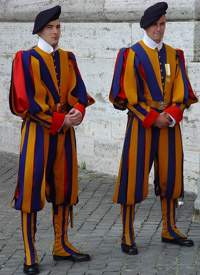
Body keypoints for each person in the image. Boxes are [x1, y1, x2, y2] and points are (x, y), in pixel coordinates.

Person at [9, 5, 95, 275]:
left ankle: (61, 244)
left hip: (64, 136)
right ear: (39, 30)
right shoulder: (24, 59)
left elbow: (80, 93)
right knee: (32, 189)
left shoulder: (68, 58)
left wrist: (78, 111)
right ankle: (30, 252)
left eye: (58, 26)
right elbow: (23, 103)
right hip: (38, 133)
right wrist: (61, 121)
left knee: (64, 186)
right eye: (50, 27)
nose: (56, 31)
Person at [109, 2, 198, 255]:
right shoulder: (131, 54)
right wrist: (151, 117)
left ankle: (169, 229)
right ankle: (127, 234)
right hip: (141, 126)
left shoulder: (175, 55)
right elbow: (124, 97)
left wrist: (170, 116)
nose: (159, 29)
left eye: (162, 24)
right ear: (145, 27)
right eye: (154, 25)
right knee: (132, 178)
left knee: (171, 176)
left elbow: (183, 94)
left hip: (169, 125)